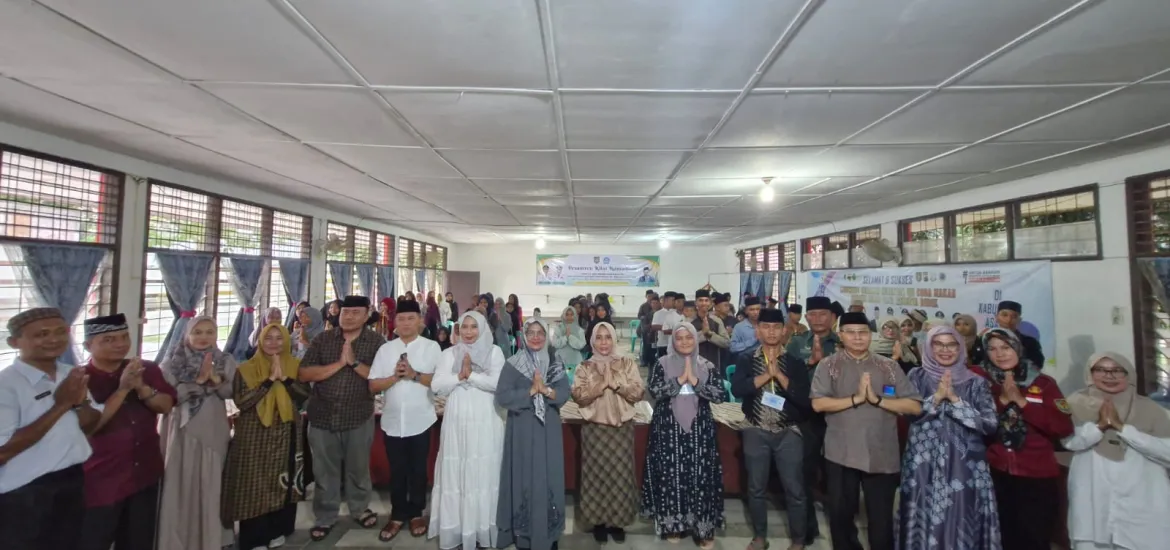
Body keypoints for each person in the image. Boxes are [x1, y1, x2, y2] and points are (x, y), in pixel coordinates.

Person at [811, 311, 922, 550]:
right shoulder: (828, 365)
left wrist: (878, 400)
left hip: (882, 452)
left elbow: (914, 406)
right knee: (841, 517)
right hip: (841, 453)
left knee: (881, 521)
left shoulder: (888, 366)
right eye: (851, 332)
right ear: (841, 335)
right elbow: (818, 404)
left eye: (863, 332)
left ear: (870, 335)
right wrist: (856, 399)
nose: (858, 337)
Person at [0, 308, 103, 550]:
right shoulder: (6, 385)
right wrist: (61, 405)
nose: (54, 339)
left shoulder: (70, 373)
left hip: (71, 481)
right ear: (14, 342)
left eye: (60, 332)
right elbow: (3, 452)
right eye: (42, 334)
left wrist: (80, 403)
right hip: (24, 492)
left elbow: (90, 425)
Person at [896, 325, 1000, 550]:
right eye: (938, 344)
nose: (945, 350)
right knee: (920, 512)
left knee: (961, 516)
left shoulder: (976, 382)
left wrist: (954, 400)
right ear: (928, 346)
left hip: (965, 465)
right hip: (922, 463)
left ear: (961, 347)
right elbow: (907, 414)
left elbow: (990, 424)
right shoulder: (916, 376)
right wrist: (936, 398)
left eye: (951, 344)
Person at [79, 314, 177, 550]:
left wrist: (141, 387)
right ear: (88, 345)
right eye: (109, 339)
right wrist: (123, 389)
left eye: (124, 337)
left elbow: (166, 406)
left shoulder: (146, 369)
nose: (120, 344)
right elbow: (90, 427)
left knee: (138, 542)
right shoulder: (80, 379)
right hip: (100, 481)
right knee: (93, 541)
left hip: (144, 474)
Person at [969, 328, 1072, 550]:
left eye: (1006, 347)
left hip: (1037, 475)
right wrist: (1002, 402)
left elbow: (1063, 427)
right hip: (996, 473)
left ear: (1018, 348)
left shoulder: (1044, 383)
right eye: (992, 349)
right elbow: (975, 424)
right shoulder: (982, 382)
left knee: (1034, 539)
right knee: (1001, 538)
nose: (1000, 354)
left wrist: (1022, 403)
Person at [299, 295, 385, 541]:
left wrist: (354, 362)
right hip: (322, 416)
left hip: (358, 416)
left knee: (358, 468)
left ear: (367, 315)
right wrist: (340, 363)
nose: (348, 317)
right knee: (324, 471)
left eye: (355, 313)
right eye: (345, 312)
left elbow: (380, 379)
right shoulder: (323, 339)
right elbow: (304, 374)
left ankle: (359, 508)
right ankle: (326, 516)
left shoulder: (377, 343)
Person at [1064, 352, 1170, 550]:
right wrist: (1100, 426)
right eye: (1100, 370)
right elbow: (1069, 442)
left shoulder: (1151, 409)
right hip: (1092, 501)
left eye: (1117, 370)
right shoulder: (1074, 404)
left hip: (1141, 502)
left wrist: (1123, 428)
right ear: (1090, 373)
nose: (1109, 376)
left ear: (1129, 374)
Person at [222, 323, 311, 550]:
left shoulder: (295, 365)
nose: (274, 343)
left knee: (282, 479)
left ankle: (277, 530)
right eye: (268, 338)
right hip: (254, 433)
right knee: (253, 483)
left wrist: (285, 379)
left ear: (286, 340)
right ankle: (254, 538)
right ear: (260, 341)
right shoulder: (246, 369)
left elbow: (303, 395)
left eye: (279, 338)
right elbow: (242, 402)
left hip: (286, 430)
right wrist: (269, 381)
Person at [731, 308, 812, 550]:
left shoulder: (794, 362)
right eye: (766, 327)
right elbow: (738, 389)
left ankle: (798, 540)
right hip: (755, 429)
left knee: (795, 489)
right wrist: (766, 376)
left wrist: (781, 377)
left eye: (776, 327)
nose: (771, 332)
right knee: (756, 488)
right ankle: (760, 537)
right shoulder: (747, 359)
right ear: (758, 331)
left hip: (788, 431)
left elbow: (804, 399)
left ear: (784, 330)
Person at [642, 324, 727, 549]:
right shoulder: (662, 363)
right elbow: (654, 391)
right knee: (672, 476)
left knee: (701, 476)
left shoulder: (707, 365)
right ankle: (674, 526)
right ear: (673, 341)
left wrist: (695, 381)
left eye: (689, 337)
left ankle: (703, 528)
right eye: (679, 338)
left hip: (700, 429)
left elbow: (720, 395)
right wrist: (680, 380)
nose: (684, 342)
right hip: (668, 428)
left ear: (695, 339)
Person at [429, 311, 507, 550]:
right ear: (458, 329)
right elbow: (437, 386)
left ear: (483, 329)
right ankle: (457, 530)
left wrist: (470, 375)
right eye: (465, 326)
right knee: (458, 472)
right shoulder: (449, 354)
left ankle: (482, 531)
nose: (469, 332)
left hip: (486, 418)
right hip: (457, 420)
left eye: (474, 326)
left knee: (483, 471)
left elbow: (498, 384)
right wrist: (459, 377)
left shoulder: (494, 352)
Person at [158, 315, 237, 550]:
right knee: (179, 481)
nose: (204, 337)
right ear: (187, 335)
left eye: (209, 332)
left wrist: (215, 380)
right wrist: (198, 383)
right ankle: (177, 540)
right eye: (197, 332)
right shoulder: (172, 363)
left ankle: (212, 538)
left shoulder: (224, 360)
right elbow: (168, 397)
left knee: (211, 481)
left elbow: (231, 392)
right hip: (180, 429)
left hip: (212, 428)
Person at [369, 299, 441, 542]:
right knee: (397, 470)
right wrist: (395, 377)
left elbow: (439, 382)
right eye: (401, 319)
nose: (406, 323)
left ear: (420, 321)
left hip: (421, 420)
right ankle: (398, 514)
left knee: (418, 469)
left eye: (411, 318)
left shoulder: (432, 348)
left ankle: (417, 513)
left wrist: (414, 375)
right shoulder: (385, 350)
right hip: (392, 421)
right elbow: (373, 385)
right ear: (395, 323)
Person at [496, 318, 570, 550]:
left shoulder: (555, 363)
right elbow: (502, 396)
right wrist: (530, 391)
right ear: (524, 335)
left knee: (549, 476)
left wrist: (546, 390)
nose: (536, 337)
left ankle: (548, 535)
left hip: (549, 429)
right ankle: (525, 535)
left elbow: (564, 392)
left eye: (540, 333)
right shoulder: (513, 364)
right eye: (531, 332)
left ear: (546, 336)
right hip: (522, 429)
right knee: (524, 476)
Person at [571, 322, 645, 544]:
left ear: (614, 339)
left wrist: (617, 385)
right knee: (596, 477)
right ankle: (599, 523)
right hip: (595, 431)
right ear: (593, 341)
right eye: (599, 337)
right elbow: (579, 396)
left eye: (608, 337)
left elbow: (638, 392)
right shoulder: (585, 366)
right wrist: (601, 385)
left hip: (621, 430)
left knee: (620, 477)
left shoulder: (627, 363)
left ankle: (617, 522)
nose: (604, 342)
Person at [971, 301, 1045, 368]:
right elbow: (975, 363)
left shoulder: (1030, 343)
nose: (1008, 320)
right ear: (996, 317)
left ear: (1019, 320)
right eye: (1004, 315)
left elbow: (1037, 365)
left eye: (1014, 316)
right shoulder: (984, 340)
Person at [693, 289, 731, 371]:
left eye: (706, 300)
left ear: (710, 303)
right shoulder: (688, 322)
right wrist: (703, 333)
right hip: (694, 365)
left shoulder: (717, 321)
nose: (704, 303)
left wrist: (710, 334)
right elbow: (685, 343)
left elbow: (726, 342)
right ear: (696, 303)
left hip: (714, 365)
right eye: (700, 300)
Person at [551, 307, 586, 371]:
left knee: (575, 377)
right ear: (564, 315)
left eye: (571, 314)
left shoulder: (579, 330)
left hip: (575, 361)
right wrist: (565, 337)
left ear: (575, 316)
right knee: (562, 377)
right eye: (567, 314)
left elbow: (581, 345)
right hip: (561, 361)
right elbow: (555, 343)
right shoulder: (559, 328)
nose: (569, 317)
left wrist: (570, 336)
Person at [652, 292, 680, 360]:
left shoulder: (677, 313)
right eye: (673, 300)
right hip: (663, 344)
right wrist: (666, 328)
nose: (674, 302)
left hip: (676, 344)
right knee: (663, 363)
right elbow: (654, 326)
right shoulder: (658, 313)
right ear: (666, 300)